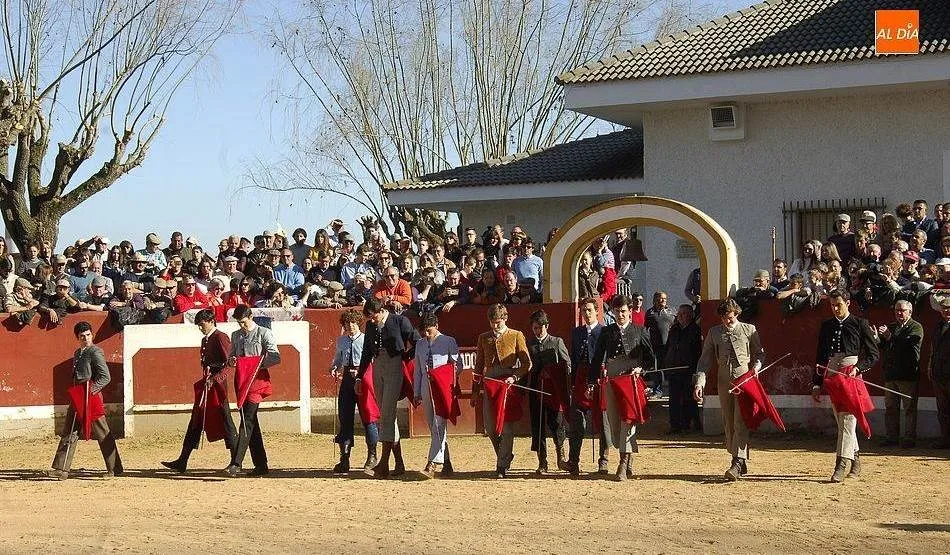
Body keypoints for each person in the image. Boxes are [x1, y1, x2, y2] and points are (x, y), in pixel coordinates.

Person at [812, 290, 879, 483]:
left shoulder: (860, 323)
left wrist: (858, 368)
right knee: (842, 422)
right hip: (833, 375)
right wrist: (816, 383)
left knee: (848, 421)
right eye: (832, 305)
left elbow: (873, 355)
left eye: (838, 305)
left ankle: (840, 465)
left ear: (848, 303)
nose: (835, 308)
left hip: (850, 375)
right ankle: (855, 459)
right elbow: (821, 357)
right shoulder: (827, 325)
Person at [694, 298, 764, 481]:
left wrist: (756, 367)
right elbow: (705, 360)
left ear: (737, 314)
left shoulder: (749, 330)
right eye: (724, 318)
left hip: (744, 379)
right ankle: (739, 458)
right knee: (728, 421)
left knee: (740, 420)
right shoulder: (714, 332)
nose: (727, 321)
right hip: (724, 381)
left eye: (730, 318)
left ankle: (737, 462)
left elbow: (760, 353)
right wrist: (700, 383)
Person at [162, 309, 238, 472]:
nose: (200, 328)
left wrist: (215, 379)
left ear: (211, 321)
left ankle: (235, 462)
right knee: (196, 420)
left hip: (218, 388)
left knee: (226, 421)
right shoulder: (206, 339)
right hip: (207, 385)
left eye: (202, 324)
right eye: (198, 325)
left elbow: (230, 363)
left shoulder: (220, 337)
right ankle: (182, 461)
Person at [590, 294, 655, 481]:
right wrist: (591, 381)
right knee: (614, 422)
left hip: (631, 378)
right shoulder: (606, 332)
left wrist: (640, 368)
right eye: (617, 311)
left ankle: (623, 463)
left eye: (624, 311)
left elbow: (650, 358)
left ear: (630, 311)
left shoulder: (640, 331)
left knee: (628, 419)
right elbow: (597, 358)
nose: (620, 315)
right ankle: (628, 456)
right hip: (612, 377)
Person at [47, 321, 124, 479]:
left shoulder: (95, 352)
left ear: (92, 335)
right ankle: (61, 469)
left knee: (102, 431)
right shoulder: (77, 353)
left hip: (90, 396)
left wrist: (90, 392)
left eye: (88, 335)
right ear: (77, 337)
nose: (86, 338)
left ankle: (114, 468)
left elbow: (105, 377)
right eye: (82, 336)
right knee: (69, 430)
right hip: (78, 394)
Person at [359, 297, 420, 478]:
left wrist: (405, 357)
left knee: (387, 413)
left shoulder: (400, 321)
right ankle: (399, 463)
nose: (372, 321)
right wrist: (359, 376)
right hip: (377, 365)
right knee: (387, 416)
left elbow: (417, 341)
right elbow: (366, 352)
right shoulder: (371, 326)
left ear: (381, 311)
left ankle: (384, 463)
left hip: (394, 366)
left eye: (373, 317)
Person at [472, 303, 531, 478]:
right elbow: (478, 366)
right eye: (492, 322)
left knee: (506, 427)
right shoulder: (484, 338)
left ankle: (502, 465)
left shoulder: (516, 335)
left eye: (498, 322)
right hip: (490, 383)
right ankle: (504, 455)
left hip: (507, 383)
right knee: (490, 428)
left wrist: (514, 377)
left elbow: (527, 363)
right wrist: (475, 392)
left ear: (505, 319)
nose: (495, 325)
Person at [224, 304, 281, 477]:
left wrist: (255, 365)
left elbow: (275, 357)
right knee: (251, 422)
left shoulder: (264, 333)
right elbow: (231, 357)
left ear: (250, 317)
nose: (241, 326)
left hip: (257, 381)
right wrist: (232, 361)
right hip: (242, 382)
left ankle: (236, 463)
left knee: (247, 420)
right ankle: (261, 465)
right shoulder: (236, 335)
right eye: (239, 323)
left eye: (243, 322)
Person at [329, 309, 379, 474]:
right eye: (347, 323)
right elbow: (338, 358)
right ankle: (344, 459)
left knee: (368, 417)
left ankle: (372, 456)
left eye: (353, 322)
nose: (350, 326)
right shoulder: (341, 340)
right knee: (345, 418)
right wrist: (334, 367)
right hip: (347, 380)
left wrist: (362, 373)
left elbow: (373, 360)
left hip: (364, 378)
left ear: (359, 323)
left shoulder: (366, 339)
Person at [413, 311, 462, 479]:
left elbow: (457, 366)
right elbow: (418, 370)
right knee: (434, 427)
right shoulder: (420, 344)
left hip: (442, 389)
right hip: (426, 387)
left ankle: (432, 464)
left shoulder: (448, 341)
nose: (426, 334)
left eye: (429, 330)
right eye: (424, 331)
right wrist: (416, 392)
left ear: (437, 326)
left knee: (438, 425)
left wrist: (441, 375)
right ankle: (447, 463)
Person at [565, 297, 606, 476]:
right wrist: (573, 383)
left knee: (602, 421)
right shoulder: (576, 333)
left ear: (597, 311)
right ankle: (573, 461)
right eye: (584, 310)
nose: (587, 313)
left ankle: (603, 460)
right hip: (581, 378)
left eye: (589, 310)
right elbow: (574, 359)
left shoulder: (605, 331)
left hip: (599, 378)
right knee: (576, 420)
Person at [526, 309, 570, 474]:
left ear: (547, 326)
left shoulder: (557, 342)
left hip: (553, 391)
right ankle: (542, 461)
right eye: (535, 328)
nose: (537, 331)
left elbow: (567, 364)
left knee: (556, 423)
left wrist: (562, 382)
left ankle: (561, 458)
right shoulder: (529, 345)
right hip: (535, 390)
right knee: (537, 426)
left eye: (540, 327)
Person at [876, 300, 923, 448]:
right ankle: (891, 437)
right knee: (891, 408)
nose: (899, 313)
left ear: (910, 311)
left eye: (902, 310)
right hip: (891, 373)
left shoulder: (916, 327)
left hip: (908, 374)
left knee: (909, 408)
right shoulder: (892, 326)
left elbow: (908, 345)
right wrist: (876, 338)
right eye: (897, 310)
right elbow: (884, 347)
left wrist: (890, 337)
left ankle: (909, 438)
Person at [664, 304, 702, 434]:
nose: (680, 316)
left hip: (688, 370)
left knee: (688, 398)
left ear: (691, 315)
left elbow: (698, 352)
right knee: (673, 399)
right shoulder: (674, 329)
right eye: (679, 313)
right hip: (674, 368)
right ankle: (675, 425)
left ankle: (687, 424)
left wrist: (694, 368)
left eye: (684, 313)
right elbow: (668, 347)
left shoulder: (695, 330)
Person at [928, 295, 950, 449]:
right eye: (944, 308)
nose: (946, 311)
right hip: (939, 373)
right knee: (942, 410)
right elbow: (933, 349)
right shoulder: (938, 326)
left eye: (949, 308)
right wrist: (930, 366)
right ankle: (945, 439)